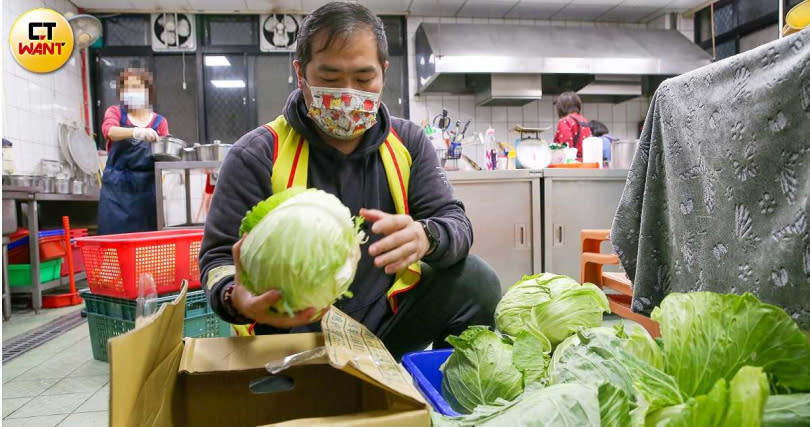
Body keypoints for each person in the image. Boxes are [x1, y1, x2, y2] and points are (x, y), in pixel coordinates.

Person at [199, 2, 501, 360]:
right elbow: (218, 257)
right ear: (301, 74)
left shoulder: (408, 143)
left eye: (363, 79)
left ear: (383, 73)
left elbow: (456, 225)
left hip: (385, 327)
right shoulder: (257, 154)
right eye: (328, 79)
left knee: (476, 282)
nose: (346, 95)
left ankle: (443, 391)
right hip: (292, 331)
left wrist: (426, 237)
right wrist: (234, 296)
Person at [98, 68, 169, 235]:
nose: (131, 91)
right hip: (116, 191)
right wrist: (135, 132)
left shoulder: (159, 122)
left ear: (147, 91)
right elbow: (109, 131)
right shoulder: (115, 113)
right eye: (126, 88)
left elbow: (165, 155)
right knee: (114, 241)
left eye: (137, 87)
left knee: (147, 242)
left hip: (147, 191)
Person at [553, 91, 591, 160]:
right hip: (586, 164)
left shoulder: (565, 121)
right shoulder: (584, 120)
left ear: (561, 107)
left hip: (571, 166)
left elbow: (566, 148)